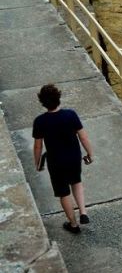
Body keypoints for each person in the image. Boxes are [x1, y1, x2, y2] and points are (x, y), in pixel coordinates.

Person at [32, 84, 94, 234]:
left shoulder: (40, 121)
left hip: (56, 162)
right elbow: (83, 137)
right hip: (73, 157)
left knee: (63, 192)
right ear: (58, 98)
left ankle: (73, 224)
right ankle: (83, 212)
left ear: (42, 102)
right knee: (76, 182)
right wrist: (90, 153)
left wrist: (38, 162)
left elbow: (38, 146)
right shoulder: (71, 115)